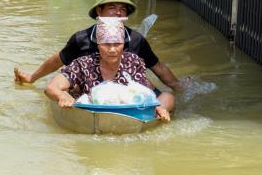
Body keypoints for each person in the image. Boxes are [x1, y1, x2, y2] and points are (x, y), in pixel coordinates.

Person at [14, 0, 182, 116]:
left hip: (124, 93)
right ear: (99, 12)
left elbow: (158, 68)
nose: (118, 12)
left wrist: (179, 89)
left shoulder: (135, 49)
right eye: (112, 7)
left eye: (122, 9)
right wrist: (32, 78)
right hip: (86, 91)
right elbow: (58, 60)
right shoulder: (82, 43)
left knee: (165, 98)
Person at [45, 17, 173, 121]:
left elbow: (143, 95)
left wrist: (157, 108)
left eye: (117, 44)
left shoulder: (133, 62)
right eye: (106, 44)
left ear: (123, 45)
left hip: (126, 113)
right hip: (90, 114)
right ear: (98, 45)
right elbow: (51, 87)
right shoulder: (83, 64)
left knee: (168, 97)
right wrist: (62, 95)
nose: (112, 50)